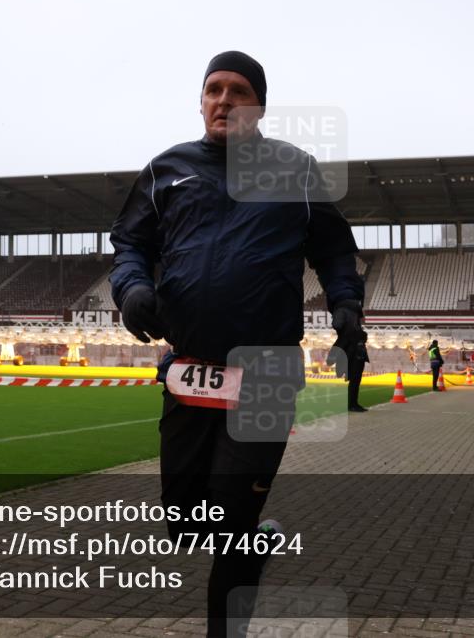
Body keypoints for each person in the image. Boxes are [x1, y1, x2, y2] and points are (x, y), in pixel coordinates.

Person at [109, 51, 364, 637]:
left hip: (268, 371)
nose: (223, 99)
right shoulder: (166, 169)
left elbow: (333, 250)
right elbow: (129, 244)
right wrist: (131, 289)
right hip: (189, 368)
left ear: (260, 106)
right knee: (183, 521)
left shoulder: (295, 170)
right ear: (201, 101)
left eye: (239, 90)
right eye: (213, 89)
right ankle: (257, 540)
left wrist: (346, 303)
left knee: (230, 514)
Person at [347, 330, 370, 412]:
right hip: (354, 369)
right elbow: (349, 357)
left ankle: (355, 404)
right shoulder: (355, 345)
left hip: (358, 368)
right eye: (365, 337)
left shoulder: (361, 345)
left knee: (356, 386)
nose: (366, 339)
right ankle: (351, 405)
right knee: (353, 387)